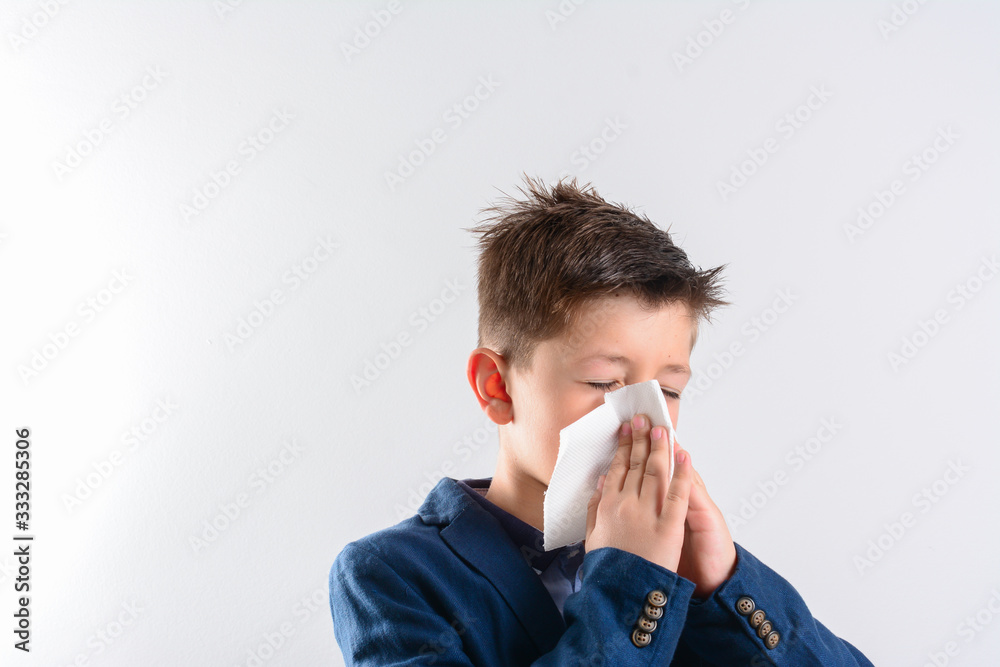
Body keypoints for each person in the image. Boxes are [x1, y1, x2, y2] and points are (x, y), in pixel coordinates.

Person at [329, 175, 875, 665]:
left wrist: (725, 584)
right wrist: (631, 581)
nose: (641, 418)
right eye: (603, 382)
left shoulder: (685, 569)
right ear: (497, 386)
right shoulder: (391, 574)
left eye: (667, 391)